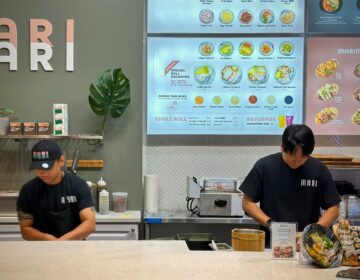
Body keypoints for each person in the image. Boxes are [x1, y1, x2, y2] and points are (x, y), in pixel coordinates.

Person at [240, 124, 341, 244]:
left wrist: (312, 232)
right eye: (293, 157)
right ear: (282, 147)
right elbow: (247, 203)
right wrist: (270, 224)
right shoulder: (264, 166)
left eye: (304, 157)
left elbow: (334, 209)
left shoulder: (319, 170)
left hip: (307, 244)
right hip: (271, 242)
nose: (298, 162)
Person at [16, 140, 95, 240]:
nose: (42, 173)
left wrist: (61, 242)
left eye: (47, 167)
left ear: (61, 161)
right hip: (41, 249)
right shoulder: (27, 191)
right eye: (38, 168)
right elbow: (25, 229)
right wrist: (47, 238)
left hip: (75, 247)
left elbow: (90, 224)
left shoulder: (78, 185)